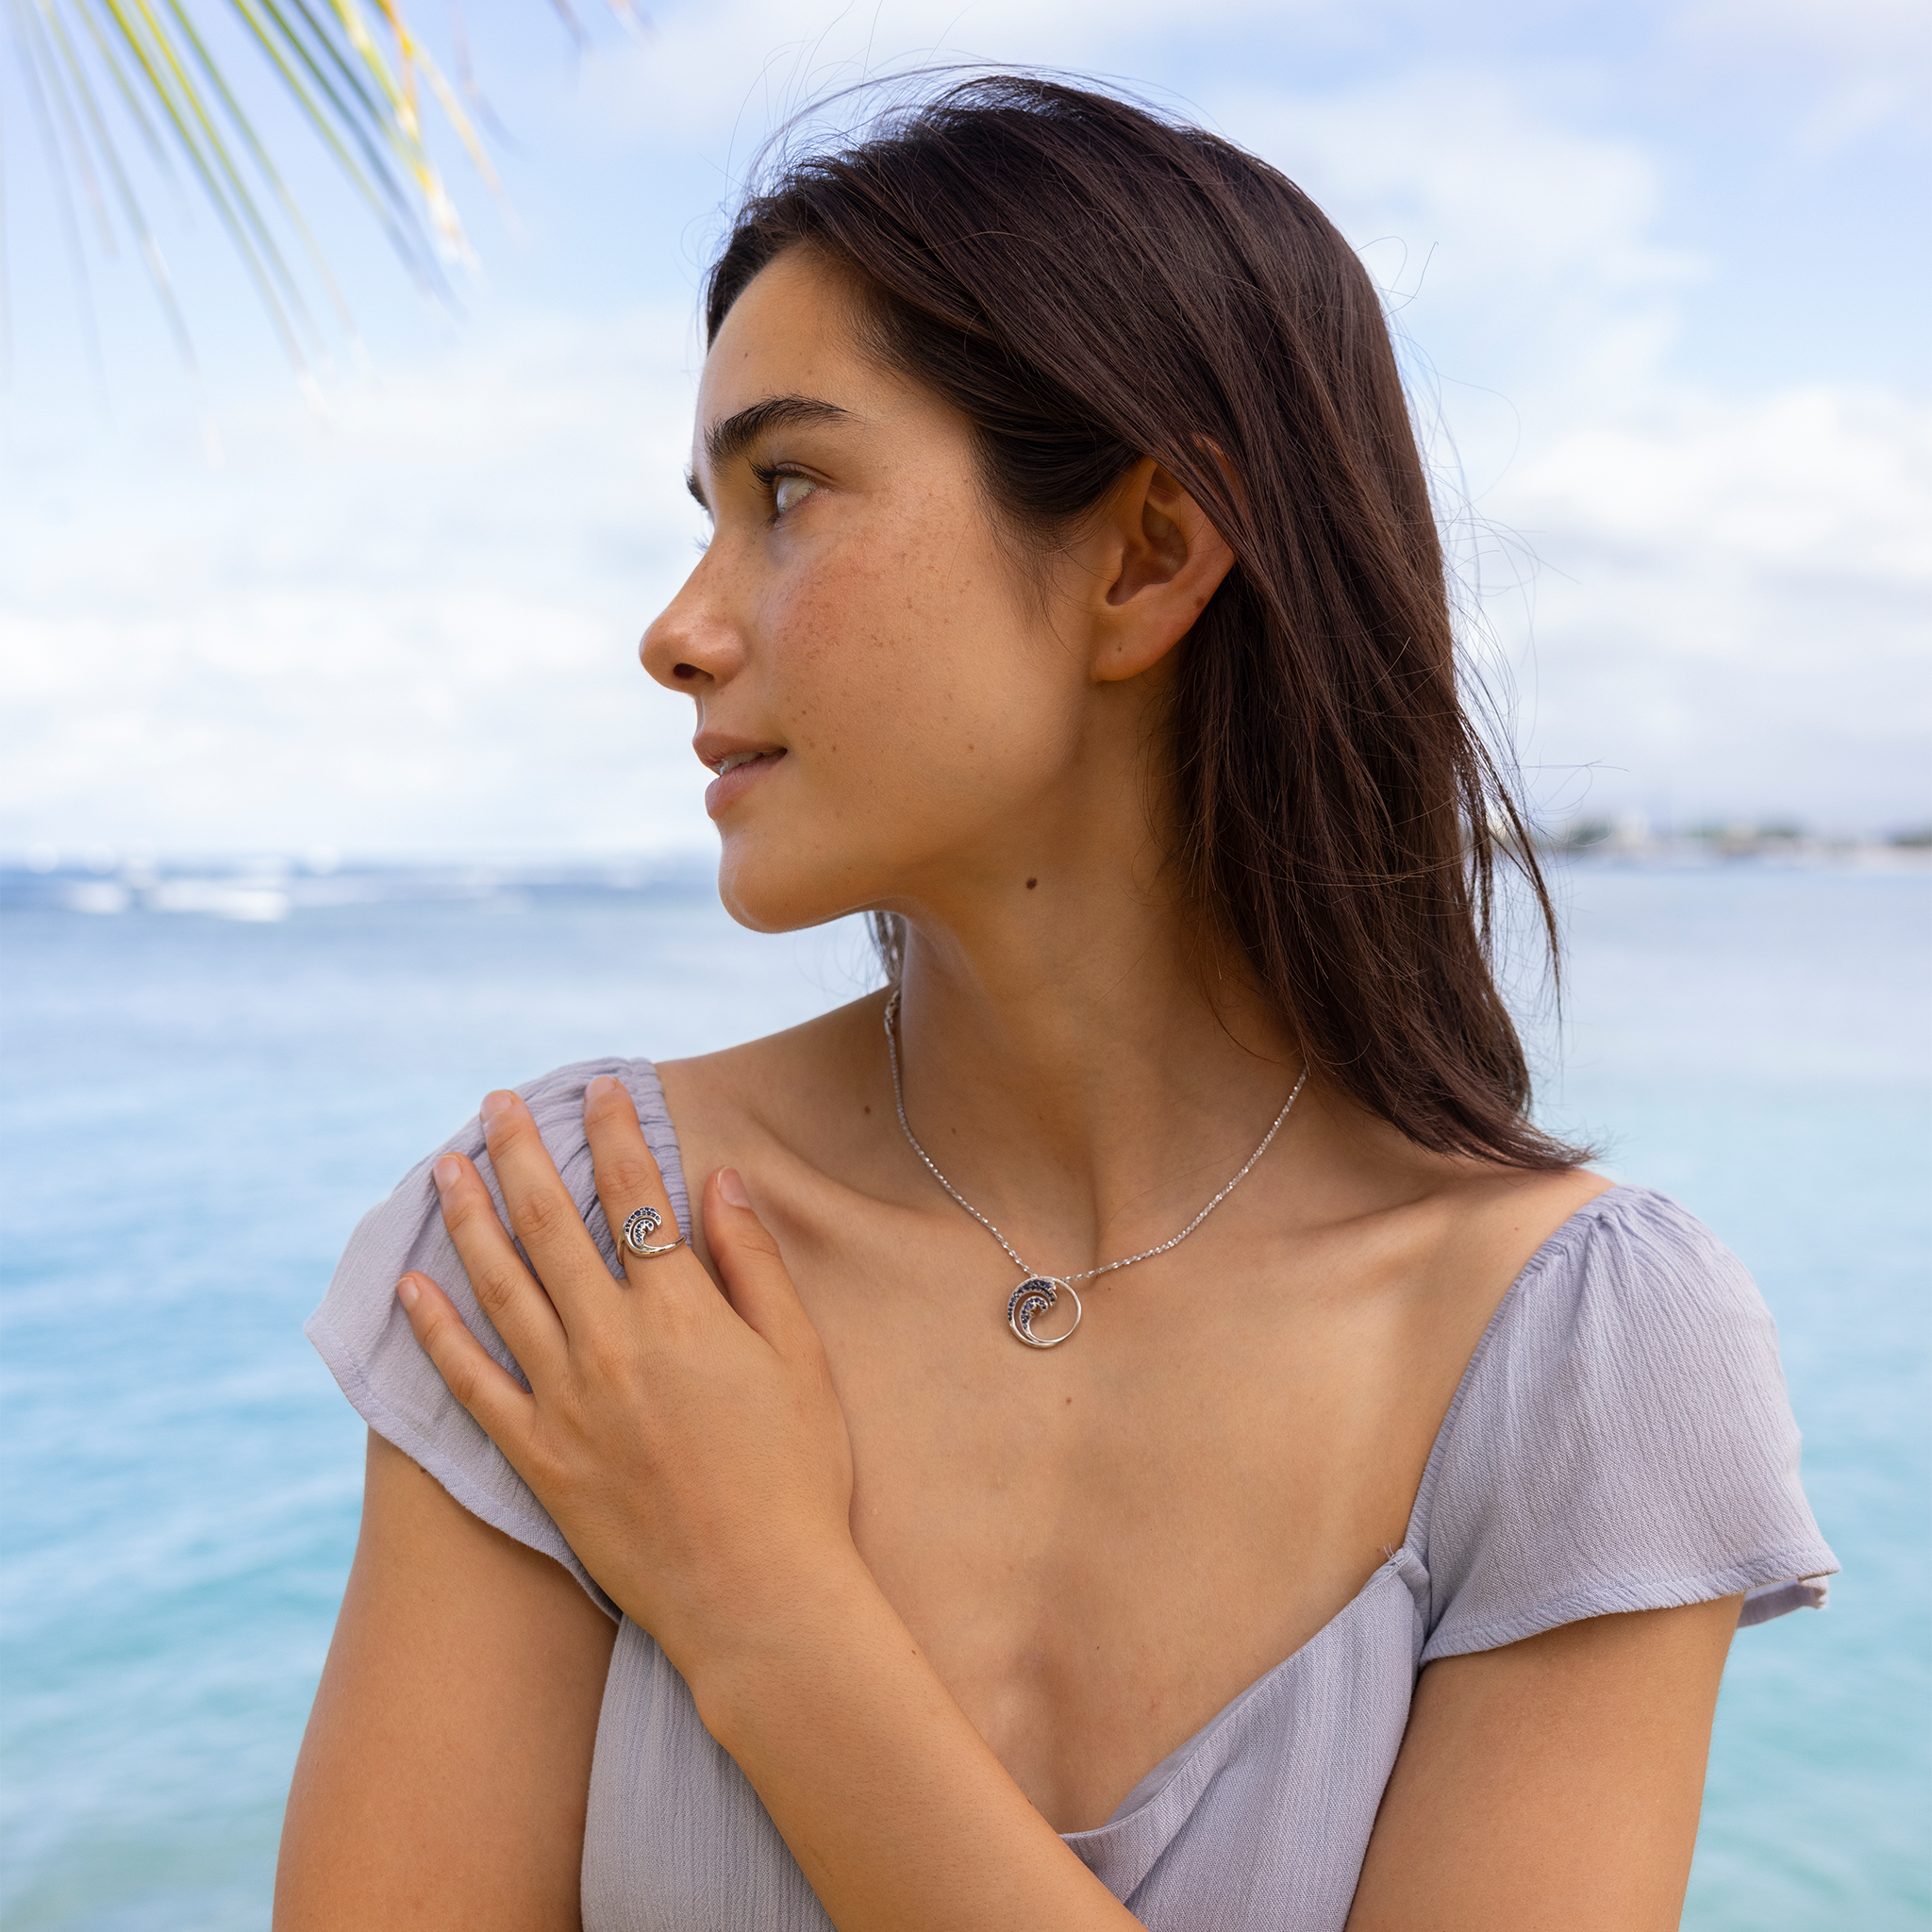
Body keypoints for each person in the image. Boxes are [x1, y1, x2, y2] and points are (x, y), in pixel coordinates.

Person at [275, 75, 1836, 1932]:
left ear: (1148, 552)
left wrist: (766, 1608)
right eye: (703, 514)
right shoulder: (580, 1245)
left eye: (787, 492)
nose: (677, 627)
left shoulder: (1574, 1355)